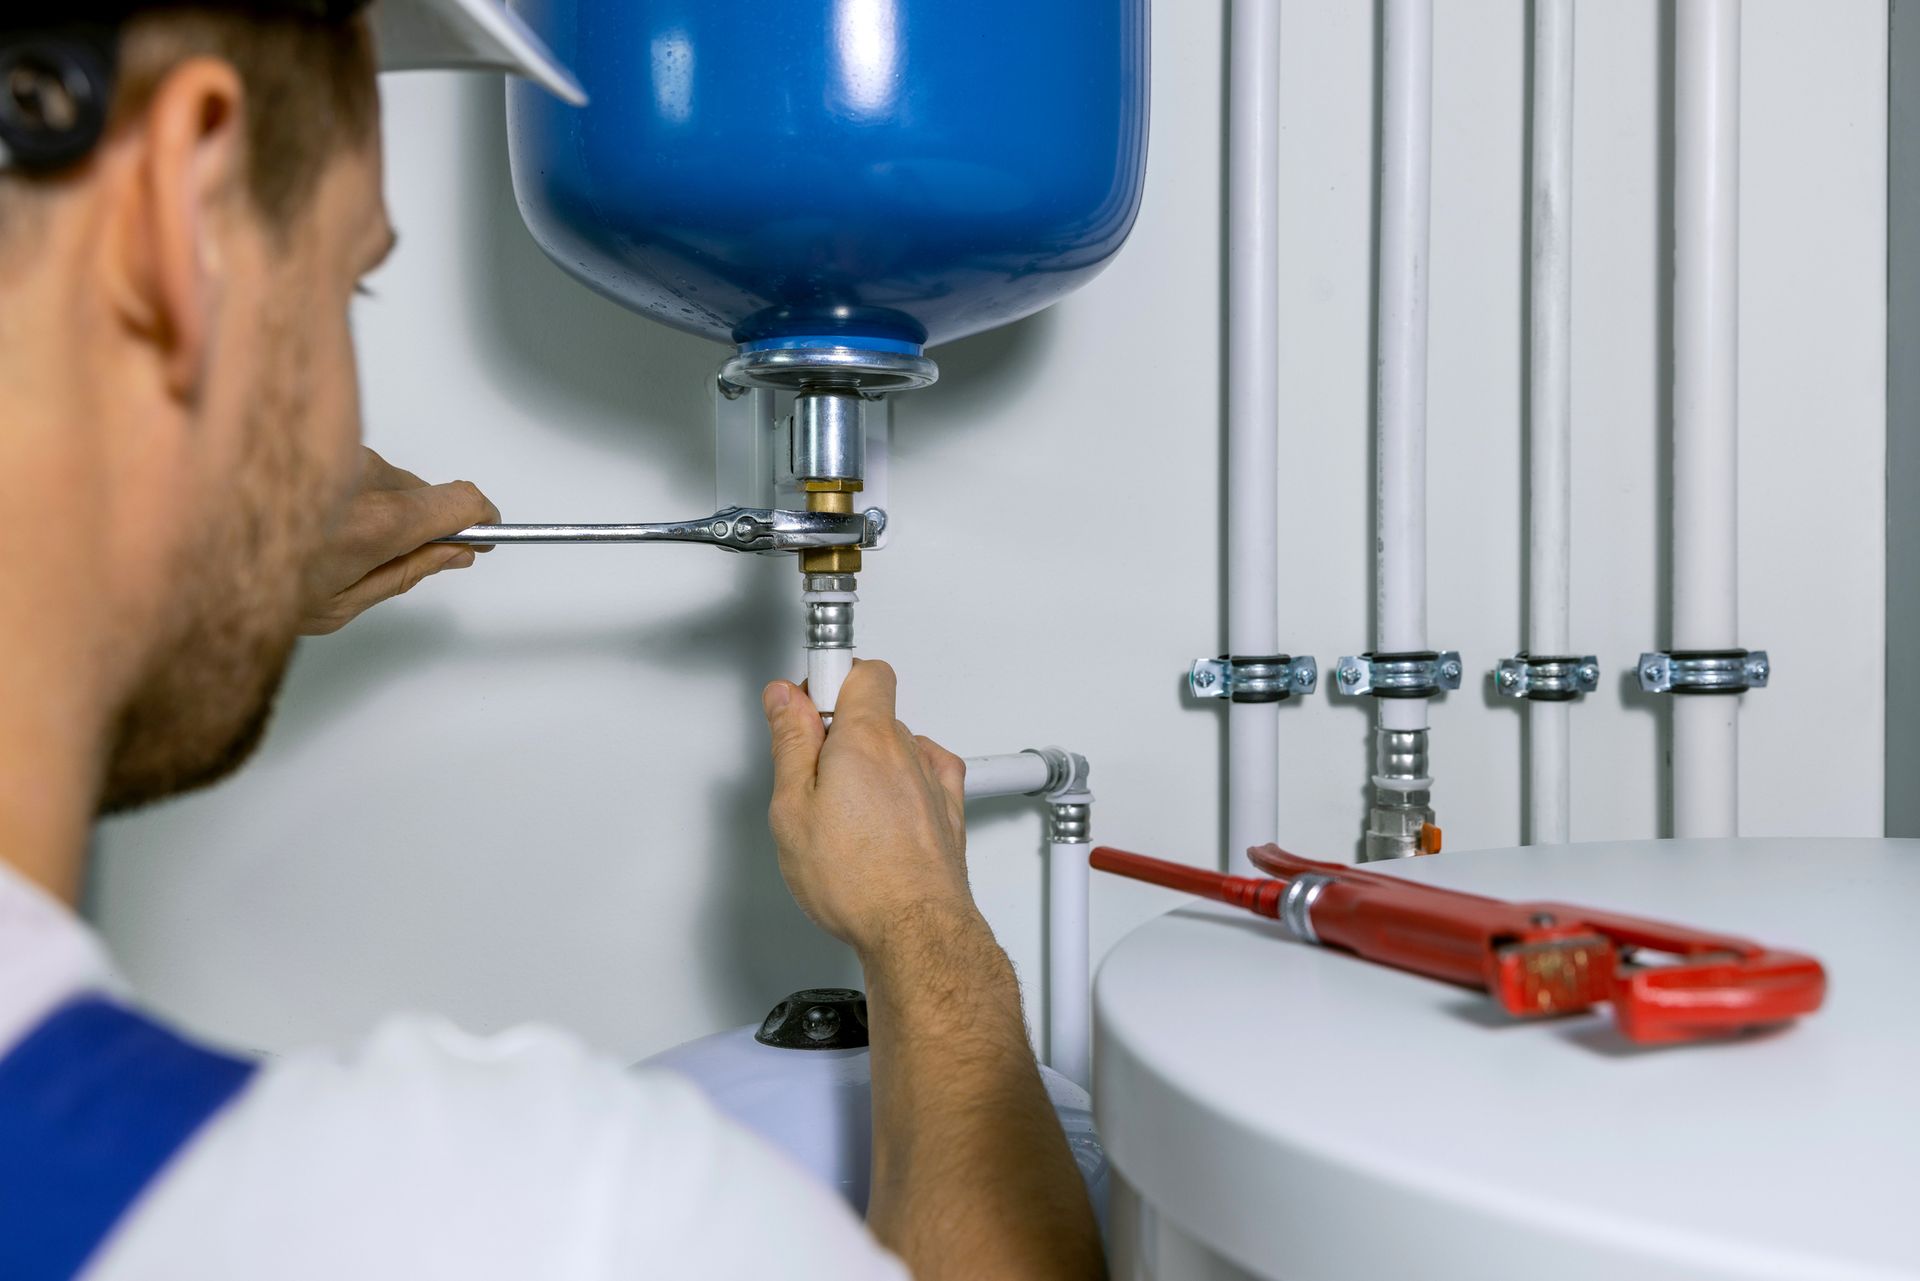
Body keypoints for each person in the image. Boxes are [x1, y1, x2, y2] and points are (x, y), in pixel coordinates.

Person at [0, 2, 1104, 1279]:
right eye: (345, 283)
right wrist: (922, 923)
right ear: (167, 218)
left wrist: (188, 558)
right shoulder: (542, 1218)